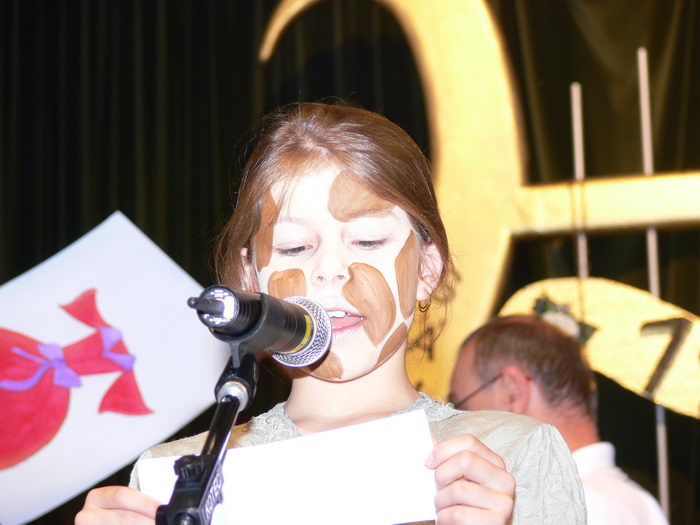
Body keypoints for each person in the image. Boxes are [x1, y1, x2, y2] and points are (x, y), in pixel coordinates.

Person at [76, 102, 585, 524]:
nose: (330, 271)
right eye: (295, 247)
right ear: (251, 279)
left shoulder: (509, 459)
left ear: (427, 269)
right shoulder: (176, 480)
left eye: (367, 239)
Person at [450, 314, 669, 525]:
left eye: (460, 405)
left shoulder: (579, 508)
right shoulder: (620, 501)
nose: (455, 425)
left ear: (512, 393)